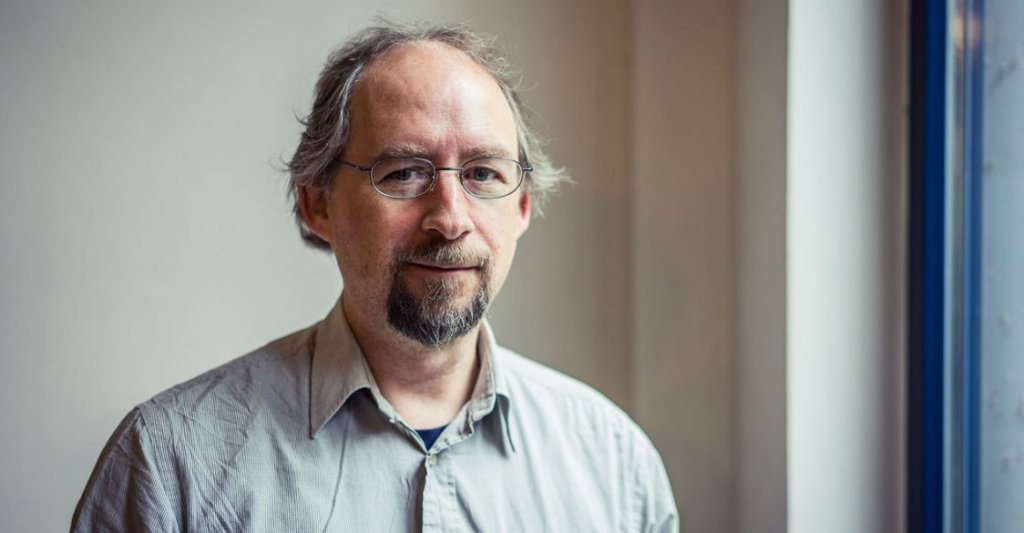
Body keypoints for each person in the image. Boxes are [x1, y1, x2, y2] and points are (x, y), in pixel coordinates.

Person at [71, 20, 678, 532]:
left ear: (522, 206)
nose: (450, 219)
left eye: (483, 173)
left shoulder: (614, 466)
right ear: (318, 204)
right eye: (404, 173)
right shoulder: (171, 465)